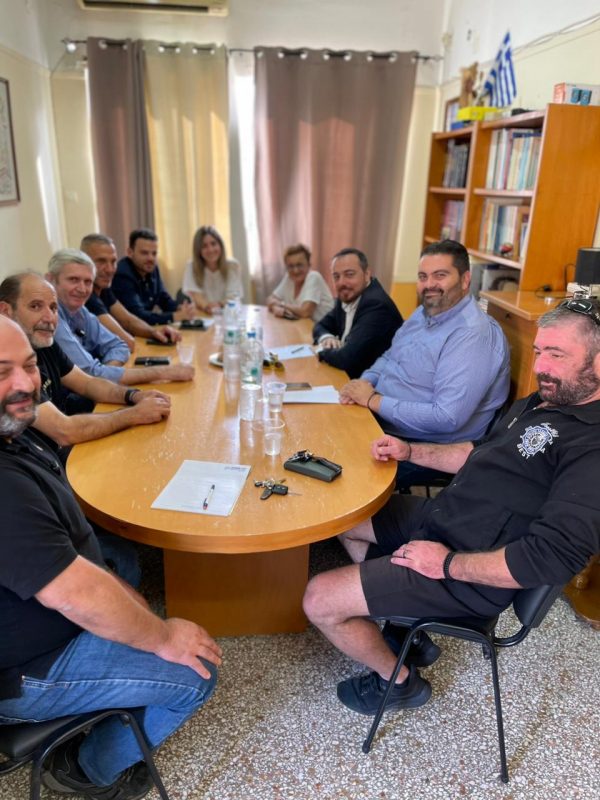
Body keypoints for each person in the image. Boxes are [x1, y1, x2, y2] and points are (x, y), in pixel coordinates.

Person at [304, 298, 600, 716]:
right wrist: (411, 451)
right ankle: (404, 619)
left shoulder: (592, 446)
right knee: (343, 514)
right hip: (449, 517)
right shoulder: (545, 400)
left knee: (319, 599)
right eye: (538, 351)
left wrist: (445, 565)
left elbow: (548, 558)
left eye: (557, 354)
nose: (540, 367)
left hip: (472, 566)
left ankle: (398, 682)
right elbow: (480, 453)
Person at [0, 314, 222, 799]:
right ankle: (85, 770)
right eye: (2, 371)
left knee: (128, 587)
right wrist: (163, 636)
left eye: (30, 365)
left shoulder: (17, 430)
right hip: (26, 671)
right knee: (196, 674)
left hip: (47, 622)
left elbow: (75, 564)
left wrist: (131, 609)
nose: (24, 384)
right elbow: (76, 593)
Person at [339, 240, 510, 486]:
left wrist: (372, 400)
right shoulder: (423, 313)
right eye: (423, 276)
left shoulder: (473, 335)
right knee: (317, 438)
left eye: (440, 275)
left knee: (341, 475)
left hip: (425, 447)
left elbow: (447, 417)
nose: (429, 284)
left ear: (465, 280)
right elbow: (390, 357)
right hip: (380, 419)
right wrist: (364, 382)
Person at [0, 272, 173, 451]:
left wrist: (134, 395)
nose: (49, 318)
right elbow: (63, 430)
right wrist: (135, 414)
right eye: (35, 306)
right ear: (5, 311)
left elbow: (87, 383)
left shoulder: (43, 343)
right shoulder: (10, 365)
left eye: (53, 308)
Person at [45, 249, 194, 387]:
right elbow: (90, 374)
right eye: (73, 280)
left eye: (88, 282)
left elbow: (119, 345)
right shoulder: (50, 317)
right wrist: (162, 372)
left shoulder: (80, 310)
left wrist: (106, 372)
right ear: (50, 280)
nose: (82, 289)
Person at [81, 233, 181, 352]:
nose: (110, 269)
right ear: (83, 261)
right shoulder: (84, 294)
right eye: (101, 261)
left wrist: (155, 332)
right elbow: (127, 341)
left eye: (113, 261)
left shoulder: (103, 288)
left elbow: (128, 320)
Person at [313, 248, 403, 379]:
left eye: (349, 274)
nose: (341, 283)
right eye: (336, 277)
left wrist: (321, 350)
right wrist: (327, 338)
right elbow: (320, 326)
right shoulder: (347, 295)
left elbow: (346, 358)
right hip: (349, 376)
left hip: (375, 383)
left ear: (366, 274)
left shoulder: (376, 305)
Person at [112, 228, 195, 325]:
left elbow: (164, 299)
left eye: (154, 253)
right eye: (144, 253)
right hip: (127, 331)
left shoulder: (152, 268)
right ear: (130, 252)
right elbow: (138, 316)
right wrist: (174, 316)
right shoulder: (122, 275)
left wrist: (179, 308)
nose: (151, 258)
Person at [182, 225, 244, 313]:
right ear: (198, 250)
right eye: (204, 246)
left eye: (213, 244)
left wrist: (218, 305)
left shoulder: (233, 265)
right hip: (204, 314)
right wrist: (207, 306)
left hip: (229, 313)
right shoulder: (191, 266)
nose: (210, 250)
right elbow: (196, 295)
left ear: (220, 245)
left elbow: (233, 295)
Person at [267, 244, 334, 322]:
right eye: (291, 266)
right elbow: (270, 299)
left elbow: (305, 312)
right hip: (303, 326)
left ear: (309, 265)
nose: (295, 270)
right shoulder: (289, 277)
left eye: (299, 265)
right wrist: (275, 307)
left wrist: (281, 304)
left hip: (325, 327)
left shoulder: (314, 277)